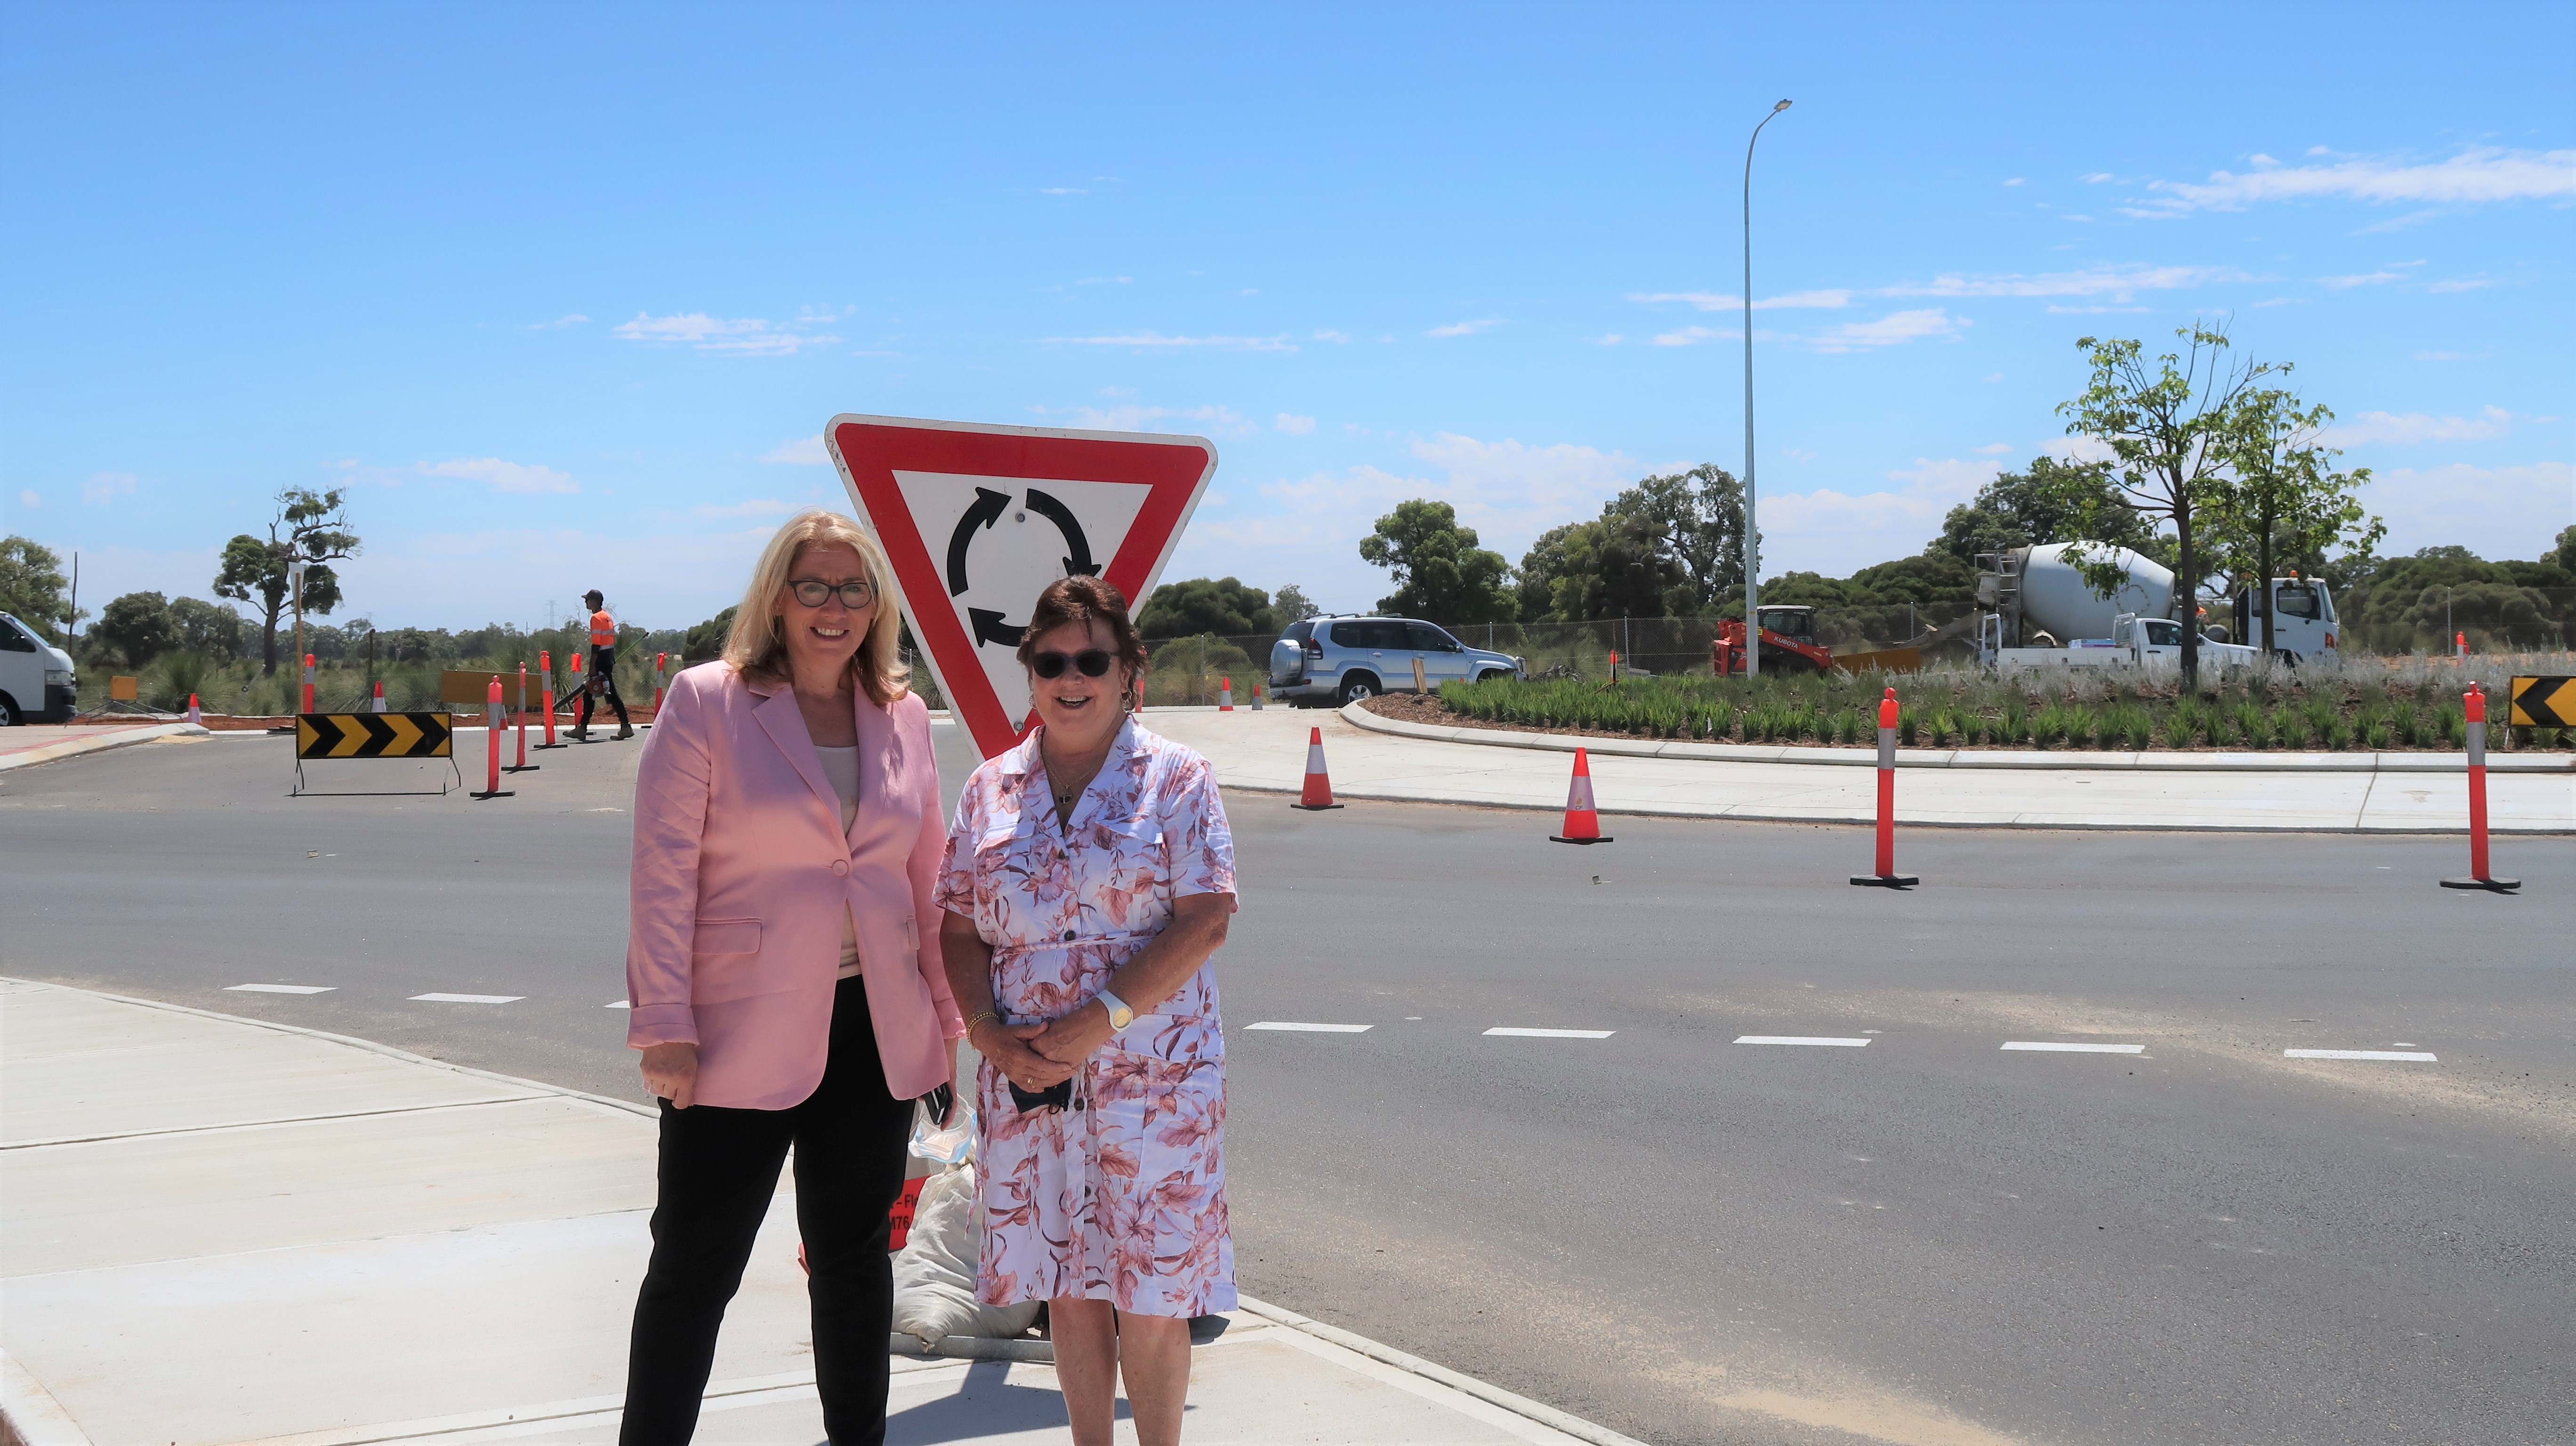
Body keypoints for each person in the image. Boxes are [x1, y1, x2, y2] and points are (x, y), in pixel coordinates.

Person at [620, 510, 963, 1445]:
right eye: (813, 586)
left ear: (877, 606)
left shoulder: (900, 715)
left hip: (871, 1031)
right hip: (734, 1032)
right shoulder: (707, 702)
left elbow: (924, 883)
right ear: (778, 597)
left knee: (855, 1262)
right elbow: (662, 874)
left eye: (854, 589)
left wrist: (940, 1031)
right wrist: (665, 1023)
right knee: (695, 1268)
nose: (834, 607)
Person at [937, 575, 1239, 1446]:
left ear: (1127, 672)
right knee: (1065, 1282)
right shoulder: (989, 790)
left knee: (1153, 1288)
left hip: (1156, 1080)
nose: (1072, 677)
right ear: (1029, 673)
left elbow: (1207, 918)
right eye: (1051, 660)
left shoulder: (1178, 780)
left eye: (1092, 659)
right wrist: (987, 1035)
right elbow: (957, 929)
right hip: (1029, 1079)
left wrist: (1096, 1019)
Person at [578, 587, 635, 740]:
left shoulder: (596, 618)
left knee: (610, 694)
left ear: (594, 601)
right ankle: (582, 728)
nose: (585, 603)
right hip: (608, 658)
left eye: (587, 600)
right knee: (590, 693)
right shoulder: (607, 617)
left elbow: (596, 645)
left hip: (601, 660)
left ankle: (625, 726)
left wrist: (592, 666)